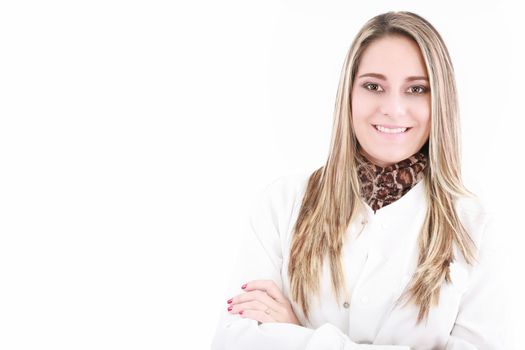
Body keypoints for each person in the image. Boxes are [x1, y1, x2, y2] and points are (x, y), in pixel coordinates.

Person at [211, 11, 506, 350]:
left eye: (416, 89)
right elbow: (234, 341)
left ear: (440, 100)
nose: (393, 108)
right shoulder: (282, 203)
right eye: (373, 86)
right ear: (348, 94)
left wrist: (299, 335)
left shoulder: (476, 228)